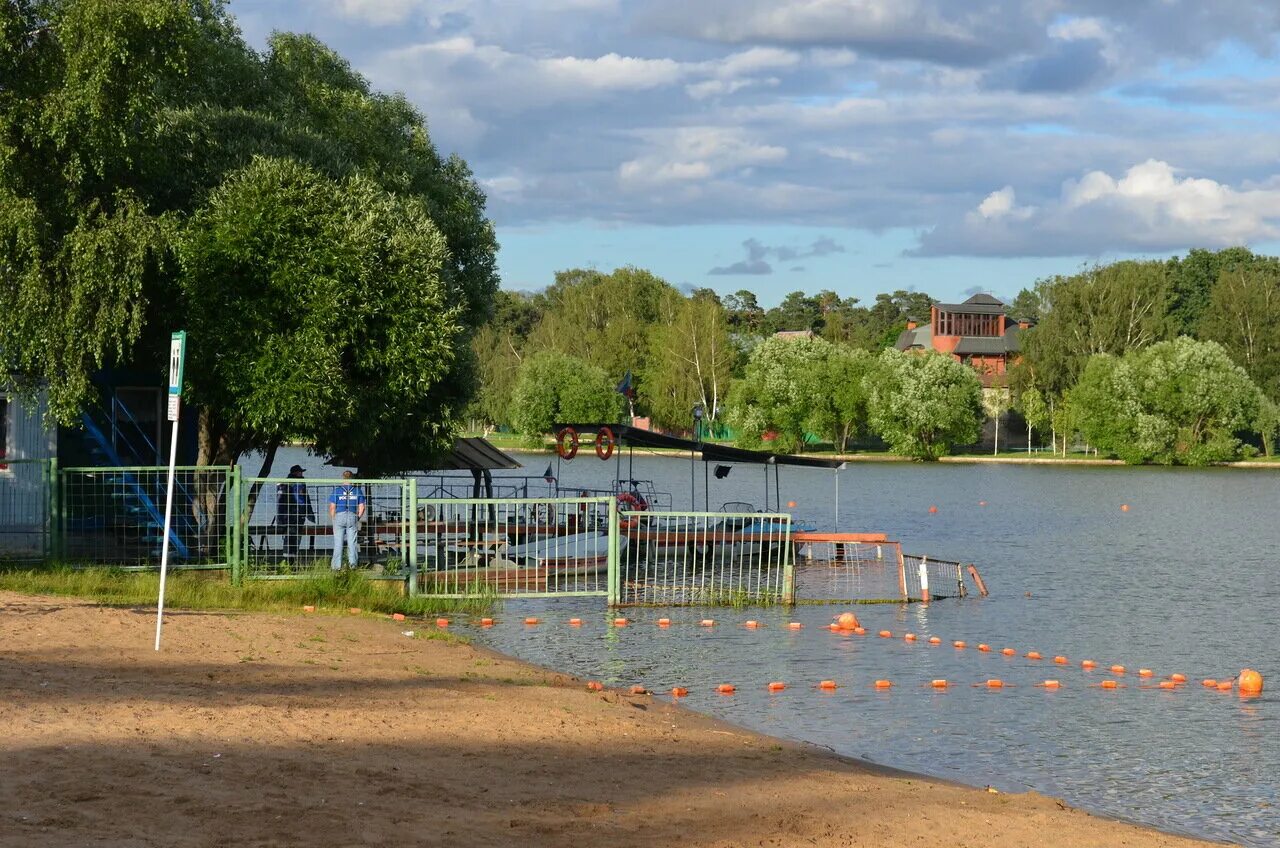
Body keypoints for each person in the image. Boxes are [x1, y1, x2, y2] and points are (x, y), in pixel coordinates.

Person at [276, 465, 315, 561]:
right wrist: (308, 513)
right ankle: (291, 561)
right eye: (300, 472)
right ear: (295, 473)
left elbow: (280, 501)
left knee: (289, 538)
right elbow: (304, 500)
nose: (301, 473)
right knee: (293, 538)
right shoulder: (297, 484)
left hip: (286, 516)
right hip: (296, 515)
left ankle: (288, 559)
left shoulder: (284, 483)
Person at [329, 470, 366, 570]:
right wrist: (357, 517)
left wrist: (333, 520)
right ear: (352, 479)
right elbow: (362, 507)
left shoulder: (337, 490)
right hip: (352, 515)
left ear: (343, 478)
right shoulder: (357, 491)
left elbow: (332, 507)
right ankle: (353, 566)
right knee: (352, 543)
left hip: (339, 516)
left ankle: (336, 567)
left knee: (338, 543)